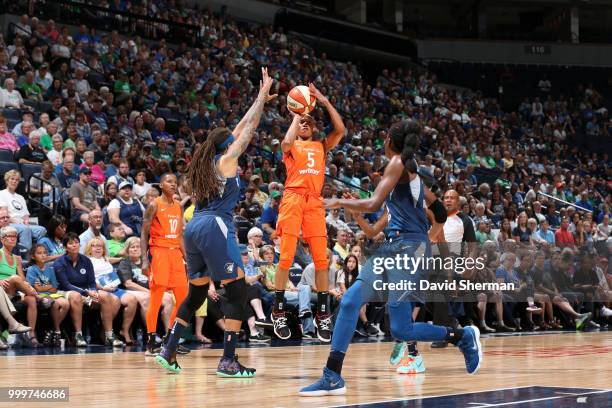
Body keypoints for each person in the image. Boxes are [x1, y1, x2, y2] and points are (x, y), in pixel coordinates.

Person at [300, 120, 482, 396]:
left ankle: (461, 336)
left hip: (407, 251)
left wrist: (337, 202)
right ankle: (332, 375)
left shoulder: (398, 163)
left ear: (388, 140)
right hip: (392, 247)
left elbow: (374, 203)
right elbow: (441, 214)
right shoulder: (413, 175)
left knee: (401, 328)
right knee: (351, 302)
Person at [155, 67, 275, 376]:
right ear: (227, 146)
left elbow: (240, 126)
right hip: (215, 228)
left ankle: (168, 350)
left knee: (196, 294)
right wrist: (262, 98)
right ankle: (228, 360)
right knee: (235, 294)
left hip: (193, 227)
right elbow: (247, 132)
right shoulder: (226, 160)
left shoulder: (206, 161)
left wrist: (258, 99)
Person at [272, 83, 346, 342]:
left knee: (322, 262)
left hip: (314, 201)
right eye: (301, 122)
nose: (304, 124)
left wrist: (324, 101)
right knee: (286, 258)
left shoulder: (321, 146)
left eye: (308, 122)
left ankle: (323, 314)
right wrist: (296, 115)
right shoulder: (293, 146)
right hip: (293, 197)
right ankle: (278, 309)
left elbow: (341, 130)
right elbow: (285, 143)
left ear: (314, 128)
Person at [141, 173, 188, 356]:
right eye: (169, 182)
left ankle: (170, 340)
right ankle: (151, 342)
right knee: (156, 298)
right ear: (161, 185)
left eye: (175, 182)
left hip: (176, 254)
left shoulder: (178, 206)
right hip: (159, 253)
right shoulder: (154, 205)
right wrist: (145, 259)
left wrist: (187, 259)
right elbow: (144, 233)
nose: (173, 185)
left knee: (183, 299)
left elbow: (179, 236)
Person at [26, 244, 70, 346]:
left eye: (45, 253)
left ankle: (53, 329)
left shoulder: (50, 269)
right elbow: (36, 288)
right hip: (39, 296)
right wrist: (47, 287)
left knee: (66, 304)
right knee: (54, 304)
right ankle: (57, 330)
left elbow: (54, 287)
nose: (43, 255)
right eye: (39, 253)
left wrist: (45, 288)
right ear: (33, 256)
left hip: (52, 294)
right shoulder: (31, 269)